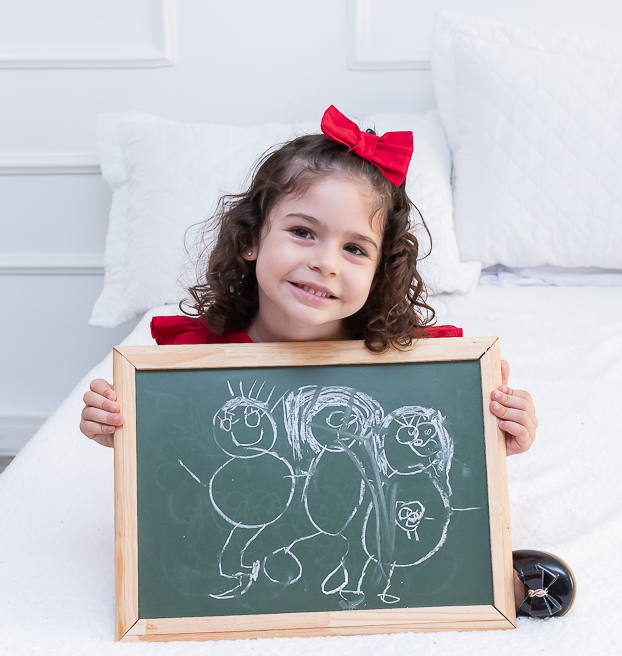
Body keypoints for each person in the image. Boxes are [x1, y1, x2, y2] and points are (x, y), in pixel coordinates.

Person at [79, 105, 575, 619]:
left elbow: (428, 457)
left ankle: (469, 582)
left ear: (381, 270)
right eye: (302, 232)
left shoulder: (416, 368)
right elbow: (182, 460)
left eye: (356, 249)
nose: (326, 262)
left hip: (360, 518)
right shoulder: (191, 365)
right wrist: (118, 425)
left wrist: (497, 436)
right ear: (251, 239)